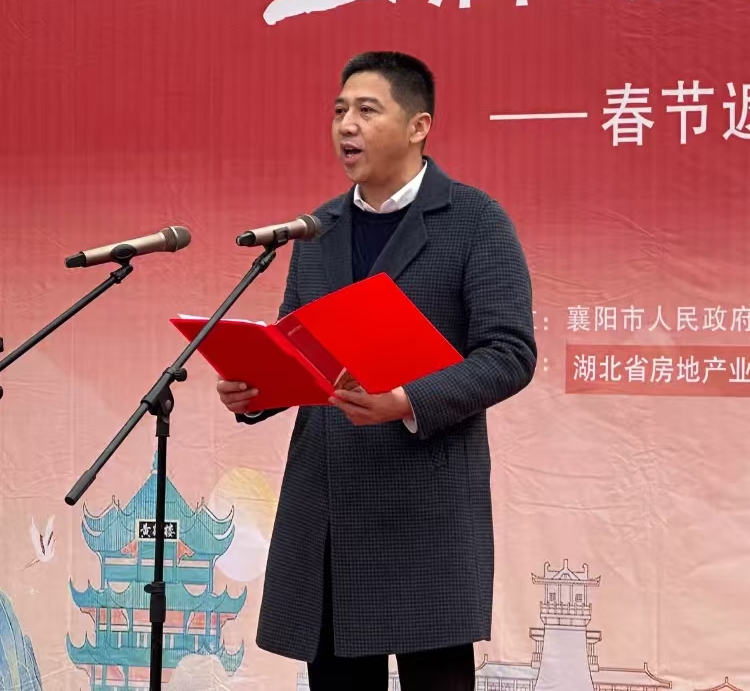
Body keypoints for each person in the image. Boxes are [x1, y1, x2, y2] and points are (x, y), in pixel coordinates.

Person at [216, 51, 536, 691]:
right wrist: (258, 390)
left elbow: (509, 353)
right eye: (339, 111)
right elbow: (298, 348)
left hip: (424, 501)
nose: (346, 126)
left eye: (367, 110)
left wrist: (407, 398)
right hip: (329, 503)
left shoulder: (476, 220)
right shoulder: (318, 228)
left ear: (418, 126)